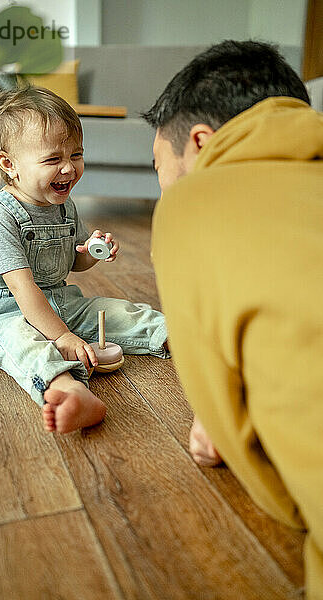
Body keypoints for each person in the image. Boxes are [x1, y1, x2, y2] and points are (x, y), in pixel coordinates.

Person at [142, 40, 323, 599]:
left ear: (200, 143)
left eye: (160, 169)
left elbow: (271, 484)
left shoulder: (191, 205)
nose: (161, 189)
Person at [0, 86, 169, 435]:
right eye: (52, 159)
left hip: (61, 300)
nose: (68, 168)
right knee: (25, 344)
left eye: (76, 155)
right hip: (6, 308)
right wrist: (63, 337)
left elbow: (75, 262)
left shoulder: (64, 206)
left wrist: (90, 250)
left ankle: (177, 335)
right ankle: (67, 390)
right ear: (9, 165)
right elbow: (23, 289)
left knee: (119, 311)